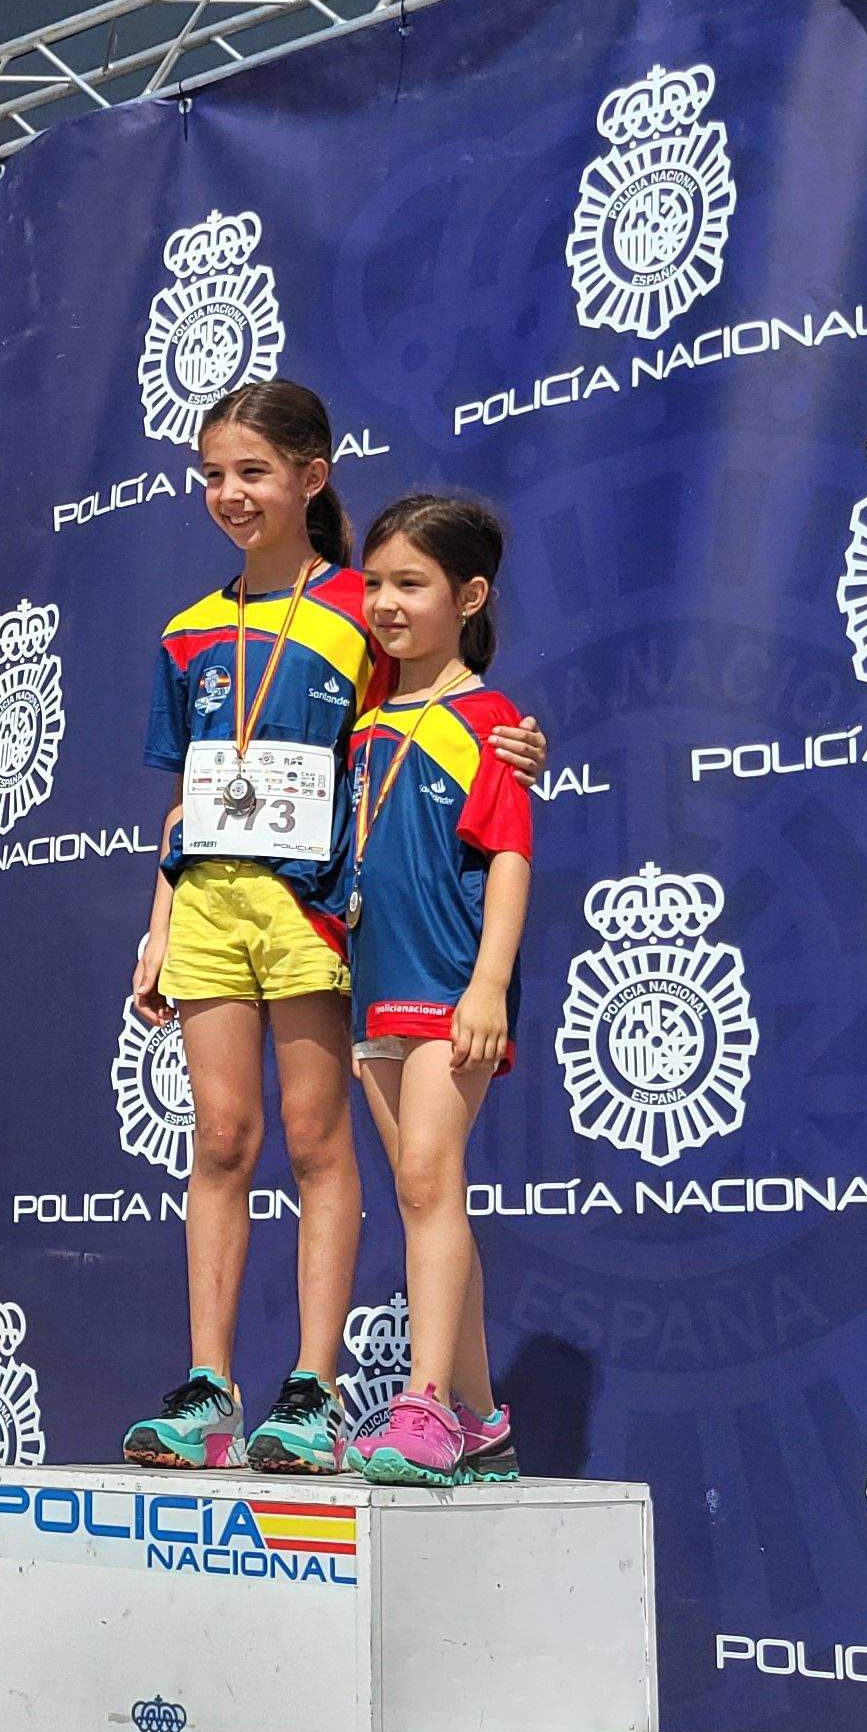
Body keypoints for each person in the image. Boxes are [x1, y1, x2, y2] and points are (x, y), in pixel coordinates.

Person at [122, 382, 546, 1476]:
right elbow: (184, 793)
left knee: (318, 1140)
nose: (230, 493)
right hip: (208, 903)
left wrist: (519, 746)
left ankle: (313, 1388)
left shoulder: (368, 607)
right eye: (213, 475)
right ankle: (208, 1386)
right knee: (221, 1138)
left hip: (314, 907)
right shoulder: (187, 631)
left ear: (312, 478)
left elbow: (440, 704)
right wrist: (158, 923)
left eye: (252, 472)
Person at [335, 495, 534, 1487]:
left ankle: (423, 1405)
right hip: (371, 987)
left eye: (410, 584)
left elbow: (509, 857)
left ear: (470, 596)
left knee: (426, 1180)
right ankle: (482, 1421)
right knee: (425, 1196)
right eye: (374, 583)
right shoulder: (366, 721)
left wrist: (488, 984)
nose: (385, 603)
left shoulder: (489, 723)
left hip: (451, 987)